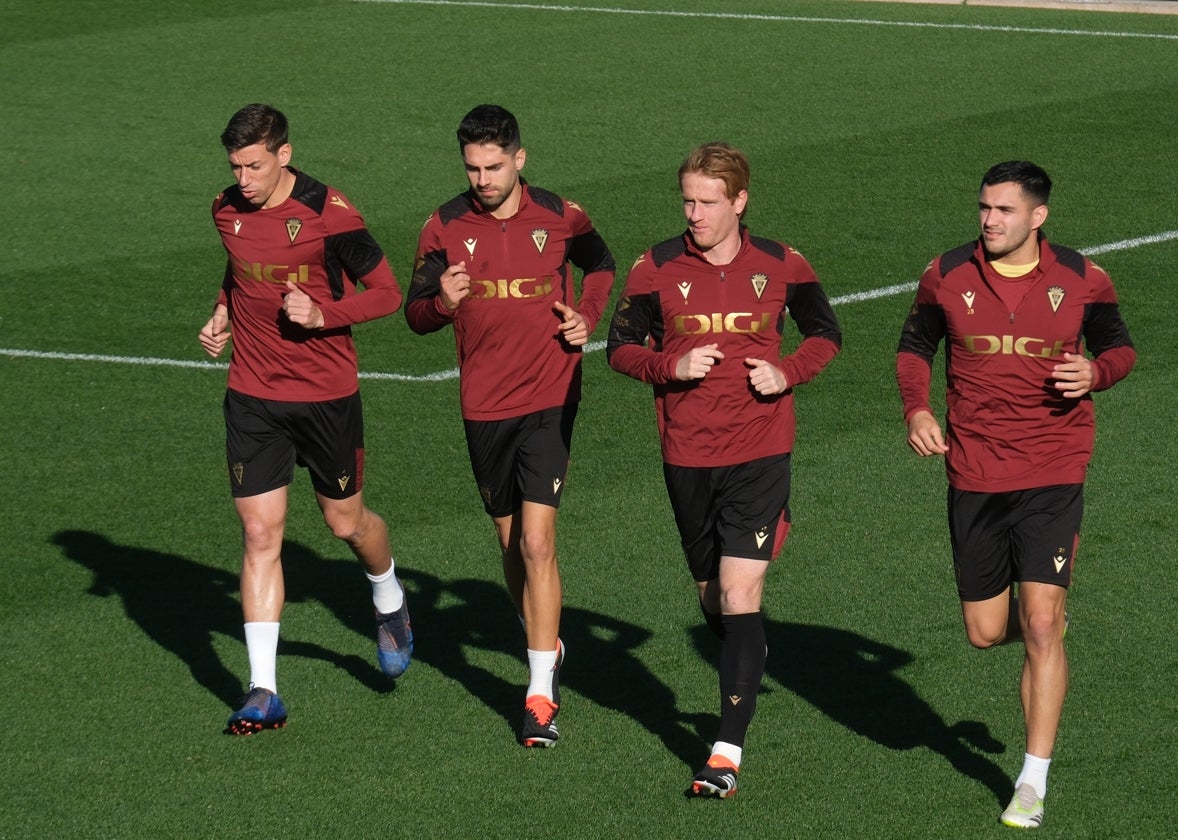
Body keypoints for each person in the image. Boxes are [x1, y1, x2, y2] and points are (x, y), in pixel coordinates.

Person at [896, 160, 1136, 828]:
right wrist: (917, 410)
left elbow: (1120, 348)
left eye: (1003, 210)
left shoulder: (1084, 279)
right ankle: (1045, 629)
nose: (989, 220)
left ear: (1038, 217)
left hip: (1055, 470)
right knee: (985, 632)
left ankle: (1031, 781)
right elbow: (914, 346)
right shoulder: (945, 274)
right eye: (984, 208)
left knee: (1038, 625)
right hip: (974, 473)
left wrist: (1096, 370)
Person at [607, 142, 842, 797]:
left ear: (739, 202)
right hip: (687, 456)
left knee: (741, 596)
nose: (694, 214)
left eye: (707, 202)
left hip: (761, 451)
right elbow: (619, 348)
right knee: (716, 603)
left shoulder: (782, 264)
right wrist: (668, 367)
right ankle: (745, 649)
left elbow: (826, 334)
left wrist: (788, 371)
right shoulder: (654, 267)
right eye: (686, 200)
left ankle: (725, 753)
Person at [198, 103, 413, 735]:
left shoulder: (330, 215)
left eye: (255, 165)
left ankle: (389, 598)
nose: (244, 179)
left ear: (284, 155)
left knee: (345, 521)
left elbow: (387, 293)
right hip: (253, 394)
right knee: (260, 534)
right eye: (236, 166)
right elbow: (241, 275)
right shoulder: (225, 210)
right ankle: (264, 689)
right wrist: (223, 312)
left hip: (325, 396)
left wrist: (324, 316)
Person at [405, 104, 615, 747]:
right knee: (509, 544)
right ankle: (545, 642)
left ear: (519, 159)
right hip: (484, 405)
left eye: (494, 166)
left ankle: (540, 695)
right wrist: (443, 302)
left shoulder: (561, 215)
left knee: (537, 542)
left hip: (551, 397)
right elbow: (413, 314)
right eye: (472, 167)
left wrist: (585, 314)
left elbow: (602, 264)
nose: (483, 179)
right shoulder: (442, 226)